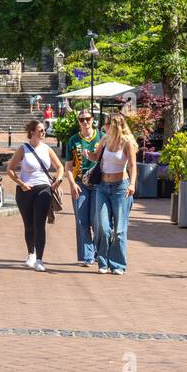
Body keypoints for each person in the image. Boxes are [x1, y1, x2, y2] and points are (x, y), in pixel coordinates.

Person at [5, 118, 66, 272]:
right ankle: (30, 253)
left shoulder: (47, 148)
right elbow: (10, 169)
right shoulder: (23, 149)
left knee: (39, 223)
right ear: (32, 132)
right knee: (29, 224)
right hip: (26, 190)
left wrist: (58, 180)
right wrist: (21, 183)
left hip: (43, 188)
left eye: (44, 130)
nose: (43, 132)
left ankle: (39, 259)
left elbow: (59, 167)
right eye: (40, 130)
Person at [92, 112, 138, 275]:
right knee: (103, 228)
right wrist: (86, 153)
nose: (103, 127)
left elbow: (132, 165)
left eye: (106, 124)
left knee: (119, 230)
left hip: (121, 188)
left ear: (114, 126)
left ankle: (117, 264)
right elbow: (95, 157)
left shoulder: (127, 143)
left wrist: (132, 184)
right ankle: (103, 262)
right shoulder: (104, 140)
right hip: (103, 187)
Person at [64, 108, 104, 267]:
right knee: (82, 221)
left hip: (99, 184)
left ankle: (98, 251)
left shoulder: (101, 137)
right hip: (80, 184)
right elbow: (68, 166)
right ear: (78, 122)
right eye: (82, 119)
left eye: (88, 118)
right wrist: (72, 184)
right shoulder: (73, 140)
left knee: (98, 221)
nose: (85, 122)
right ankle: (88, 256)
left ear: (93, 119)